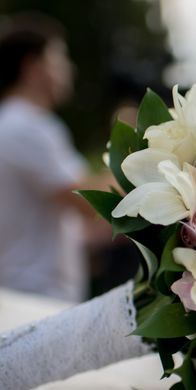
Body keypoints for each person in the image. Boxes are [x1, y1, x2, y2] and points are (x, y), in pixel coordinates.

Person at [0, 14, 107, 302]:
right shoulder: (26, 127)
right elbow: (91, 201)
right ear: (33, 68)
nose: (68, 69)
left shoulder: (19, 124)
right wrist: (143, 153)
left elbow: (75, 217)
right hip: (33, 297)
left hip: (27, 293)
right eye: (59, 59)